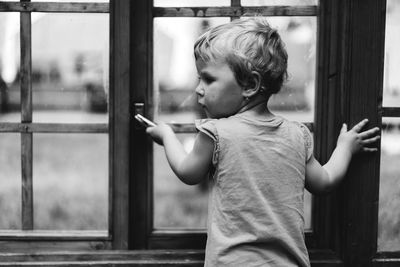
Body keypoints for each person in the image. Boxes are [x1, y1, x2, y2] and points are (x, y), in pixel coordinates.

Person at [146, 17, 380, 267]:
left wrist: (166, 136)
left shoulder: (215, 133)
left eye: (208, 79)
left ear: (250, 85)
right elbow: (324, 181)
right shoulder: (297, 134)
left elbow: (187, 172)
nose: (198, 89)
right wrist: (345, 147)